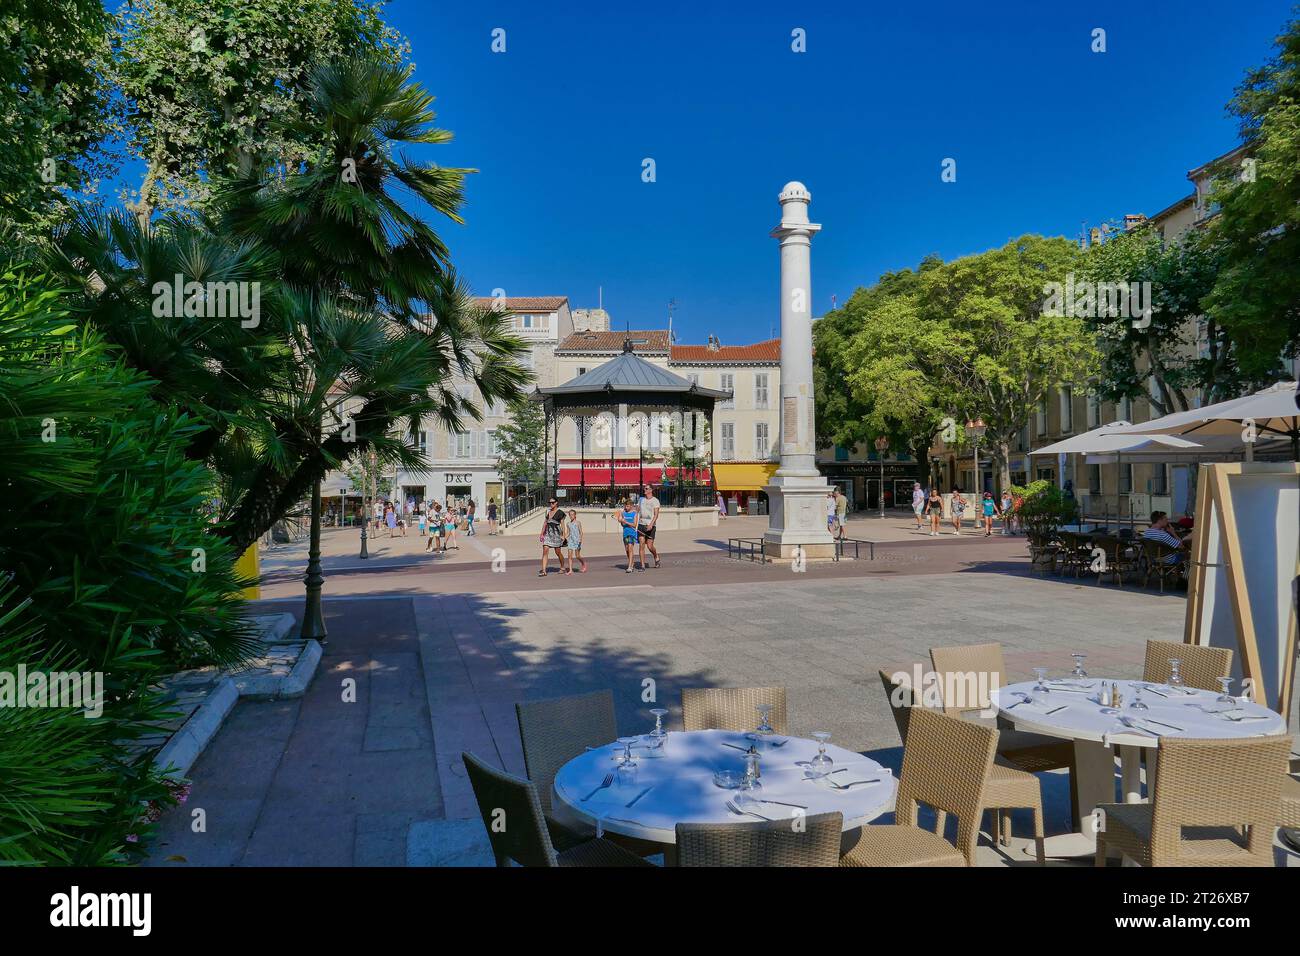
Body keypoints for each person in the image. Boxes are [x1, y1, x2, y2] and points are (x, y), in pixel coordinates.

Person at [538, 497, 566, 576]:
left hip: (557, 534)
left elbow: (562, 525)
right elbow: (545, 523)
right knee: (545, 550)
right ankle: (544, 571)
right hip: (548, 534)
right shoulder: (548, 511)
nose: (551, 504)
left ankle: (562, 567)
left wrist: (563, 535)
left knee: (558, 552)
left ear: (556, 503)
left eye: (552, 502)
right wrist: (541, 533)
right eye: (549, 503)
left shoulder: (560, 512)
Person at [637, 484, 661, 570]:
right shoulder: (641, 500)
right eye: (644, 488)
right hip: (641, 524)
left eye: (646, 488)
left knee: (650, 546)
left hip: (650, 525)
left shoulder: (655, 501)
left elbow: (656, 515)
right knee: (641, 544)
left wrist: (651, 524)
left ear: (651, 490)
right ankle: (642, 565)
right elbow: (637, 510)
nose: (645, 489)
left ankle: (656, 556)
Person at [617, 498, 641, 573]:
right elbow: (622, 524)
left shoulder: (634, 514)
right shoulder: (623, 513)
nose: (625, 507)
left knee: (630, 548)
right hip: (625, 533)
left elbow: (634, 525)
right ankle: (632, 562)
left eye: (627, 506)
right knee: (627, 550)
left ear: (631, 506)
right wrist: (621, 521)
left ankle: (630, 566)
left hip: (632, 533)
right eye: (625, 506)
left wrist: (626, 522)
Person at [564, 509, 587, 574]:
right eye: (570, 515)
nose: (571, 516)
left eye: (572, 514)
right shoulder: (568, 523)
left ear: (575, 515)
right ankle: (570, 570)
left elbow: (581, 532)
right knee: (569, 556)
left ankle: (583, 563)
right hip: (571, 541)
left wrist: (580, 541)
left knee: (577, 556)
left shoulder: (578, 522)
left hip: (577, 541)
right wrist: (564, 537)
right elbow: (568, 533)